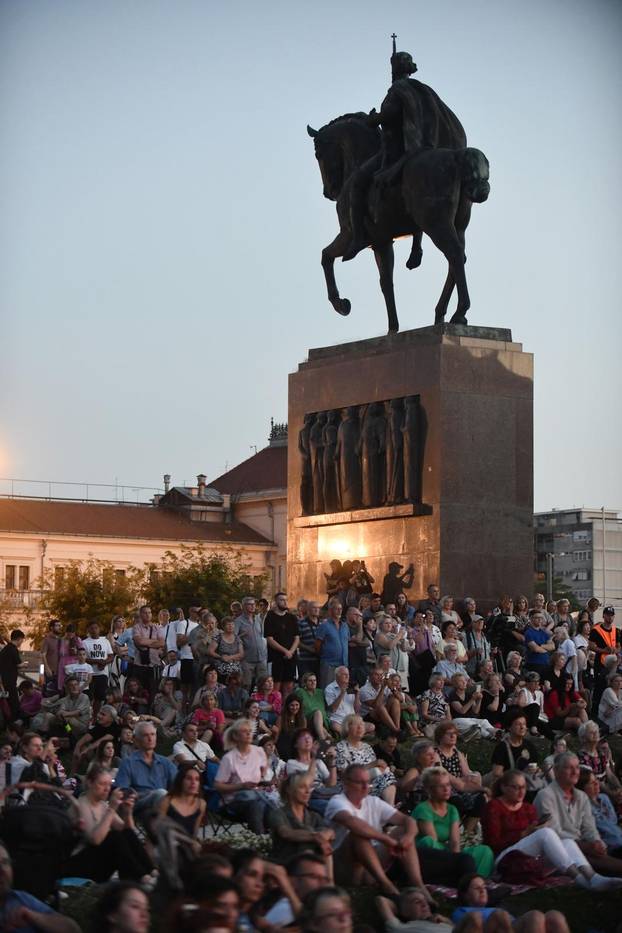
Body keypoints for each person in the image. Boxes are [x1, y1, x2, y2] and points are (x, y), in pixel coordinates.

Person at [325, 764, 428, 897]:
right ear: (347, 783)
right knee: (358, 836)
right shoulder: (337, 802)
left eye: (367, 782)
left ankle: (418, 884)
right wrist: (386, 839)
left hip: (371, 865)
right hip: (346, 867)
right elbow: (353, 823)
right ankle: (387, 885)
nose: (365, 786)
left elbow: (409, 821)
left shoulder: (373, 802)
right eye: (359, 782)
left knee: (402, 832)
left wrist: (408, 837)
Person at [534, 751, 622, 886]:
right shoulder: (546, 796)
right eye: (569, 768)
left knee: (595, 849)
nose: (575, 772)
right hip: (555, 851)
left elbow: (589, 827)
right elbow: (554, 834)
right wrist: (588, 846)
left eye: (576, 768)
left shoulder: (581, 796)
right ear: (556, 771)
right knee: (582, 852)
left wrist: (597, 842)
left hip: (581, 845)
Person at [64, 762, 153, 882]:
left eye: (109, 784)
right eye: (102, 784)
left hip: (95, 861)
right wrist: (111, 809)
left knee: (124, 834)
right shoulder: (81, 805)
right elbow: (95, 840)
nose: (107, 789)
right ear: (90, 783)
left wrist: (127, 812)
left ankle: (151, 871)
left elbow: (128, 832)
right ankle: (141, 877)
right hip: (77, 866)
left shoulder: (101, 805)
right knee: (114, 836)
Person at [414, 766, 493, 877]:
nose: (446, 789)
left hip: (446, 852)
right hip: (428, 855)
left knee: (484, 851)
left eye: (448, 785)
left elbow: (455, 842)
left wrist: (458, 860)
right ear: (429, 789)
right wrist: (457, 861)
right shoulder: (423, 809)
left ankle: (476, 882)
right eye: (441, 786)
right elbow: (433, 841)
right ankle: (459, 877)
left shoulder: (452, 810)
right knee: (428, 842)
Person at [0, 842, 80, 933]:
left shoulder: (20, 899)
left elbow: (73, 929)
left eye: (5, 862)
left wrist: (33, 916)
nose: (2, 870)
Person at [212, 717, 272, 834]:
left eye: (250, 731)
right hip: (233, 801)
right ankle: (259, 839)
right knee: (257, 804)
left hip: (257, 795)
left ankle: (274, 840)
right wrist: (241, 786)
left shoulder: (259, 752)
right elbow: (217, 786)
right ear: (235, 736)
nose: (249, 733)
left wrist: (263, 780)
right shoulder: (229, 758)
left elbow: (264, 775)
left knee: (272, 805)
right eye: (245, 731)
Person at [268, 771, 335, 863]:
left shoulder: (314, 816)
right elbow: (286, 833)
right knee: (308, 844)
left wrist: (323, 837)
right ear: (289, 790)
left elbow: (330, 832)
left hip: (313, 860)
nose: (308, 791)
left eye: (310, 787)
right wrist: (315, 836)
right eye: (302, 787)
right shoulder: (278, 813)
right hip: (285, 861)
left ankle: (329, 877)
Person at [434, 721, 487, 835]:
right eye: (449, 734)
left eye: (455, 733)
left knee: (480, 799)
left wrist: (473, 777)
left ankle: (467, 834)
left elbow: (467, 773)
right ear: (440, 736)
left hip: (462, 787)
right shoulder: (435, 753)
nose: (453, 736)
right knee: (456, 801)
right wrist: (463, 782)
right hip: (445, 787)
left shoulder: (457, 753)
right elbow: (445, 776)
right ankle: (455, 832)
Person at [114, 720, 177, 816]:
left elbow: (179, 782)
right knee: (160, 793)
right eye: (145, 735)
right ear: (136, 740)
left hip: (163, 801)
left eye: (152, 734)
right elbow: (122, 789)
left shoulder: (164, 762)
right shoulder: (128, 763)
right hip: (139, 805)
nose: (150, 738)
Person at [335, 714, 397, 803]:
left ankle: (390, 809)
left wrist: (382, 768)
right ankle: (390, 810)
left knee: (388, 775)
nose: (360, 727)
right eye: (356, 724)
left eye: (362, 724)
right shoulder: (341, 747)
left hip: (369, 785)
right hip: (351, 787)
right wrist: (371, 765)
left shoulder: (367, 747)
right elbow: (344, 774)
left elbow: (376, 770)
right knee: (386, 779)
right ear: (347, 728)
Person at [264, 592, 300, 695]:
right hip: (276, 658)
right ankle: (276, 709)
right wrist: (285, 651)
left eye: (286, 600)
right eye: (282, 600)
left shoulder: (292, 618)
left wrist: (291, 652)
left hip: (291, 657)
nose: (285, 602)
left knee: (289, 686)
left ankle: (286, 710)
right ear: (276, 602)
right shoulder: (270, 617)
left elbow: (297, 637)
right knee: (276, 687)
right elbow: (270, 639)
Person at [158, 761, 206, 837]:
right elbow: (155, 832)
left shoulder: (201, 804)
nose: (193, 782)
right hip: (168, 844)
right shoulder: (167, 802)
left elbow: (194, 833)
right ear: (180, 781)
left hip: (187, 845)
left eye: (197, 779)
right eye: (189, 778)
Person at [376, 886, 452, 933]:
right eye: (417, 902)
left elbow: (459, 928)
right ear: (405, 912)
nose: (424, 904)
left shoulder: (440, 921)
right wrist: (401, 908)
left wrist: (445, 920)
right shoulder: (400, 927)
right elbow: (381, 900)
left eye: (425, 901)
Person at [490, 709, 539, 779]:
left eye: (524, 724)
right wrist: (521, 774)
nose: (522, 727)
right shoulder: (502, 748)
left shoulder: (529, 746)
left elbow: (535, 766)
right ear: (509, 727)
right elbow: (497, 774)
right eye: (518, 724)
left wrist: (537, 770)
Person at [315, 597, 350, 688]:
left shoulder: (345, 626)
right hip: (329, 664)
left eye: (340, 609)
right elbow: (317, 645)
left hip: (343, 664)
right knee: (328, 688)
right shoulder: (324, 626)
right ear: (330, 611)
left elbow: (347, 642)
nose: (339, 611)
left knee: (341, 690)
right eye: (336, 609)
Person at [324, 666, 369, 735]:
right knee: (335, 727)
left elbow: (357, 710)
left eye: (348, 674)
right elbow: (332, 709)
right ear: (337, 676)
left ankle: (350, 733)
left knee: (372, 726)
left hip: (351, 719)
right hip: (338, 720)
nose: (347, 676)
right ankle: (354, 734)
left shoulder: (351, 686)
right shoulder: (330, 688)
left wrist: (357, 695)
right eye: (344, 674)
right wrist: (342, 693)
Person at [132, 606, 165, 699]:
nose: (148, 615)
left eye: (149, 612)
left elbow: (162, 643)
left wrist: (146, 643)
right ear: (141, 614)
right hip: (140, 665)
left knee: (153, 691)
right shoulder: (136, 627)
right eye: (145, 613)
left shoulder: (157, 628)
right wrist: (154, 642)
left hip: (154, 665)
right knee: (140, 692)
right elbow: (139, 642)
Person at [236, 596, 268, 690]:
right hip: (247, 659)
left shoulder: (258, 619)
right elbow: (232, 638)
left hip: (261, 658)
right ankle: (246, 704)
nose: (253, 606)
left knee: (264, 684)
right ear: (243, 606)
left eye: (254, 604)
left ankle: (262, 704)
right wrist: (242, 635)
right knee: (246, 685)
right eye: (250, 604)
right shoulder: (238, 621)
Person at [82, 621, 115, 714]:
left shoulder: (105, 641)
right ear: (88, 630)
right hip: (90, 674)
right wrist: (98, 661)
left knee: (100, 697)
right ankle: (87, 715)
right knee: (88, 697)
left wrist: (104, 662)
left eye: (96, 628)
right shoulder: (84, 642)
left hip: (102, 673)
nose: (94, 630)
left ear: (99, 629)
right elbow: (83, 658)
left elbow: (111, 656)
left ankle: (95, 717)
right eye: (91, 628)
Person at [359, 667, 402, 733]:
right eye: (376, 675)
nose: (379, 677)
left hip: (384, 713)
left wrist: (392, 688)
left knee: (395, 700)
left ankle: (397, 727)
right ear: (370, 677)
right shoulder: (364, 690)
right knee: (380, 707)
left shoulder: (386, 686)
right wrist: (382, 688)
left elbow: (401, 699)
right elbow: (376, 705)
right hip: (368, 716)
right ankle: (396, 731)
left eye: (381, 675)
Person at [0, 629, 27, 720]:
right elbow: (18, 664)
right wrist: (25, 664)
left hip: (4, 680)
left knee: (7, 703)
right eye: (22, 641)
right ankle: (14, 723)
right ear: (19, 639)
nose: (21, 643)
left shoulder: (5, 649)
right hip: (10, 681)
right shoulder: (13, 649)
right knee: (14, 704)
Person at [295, 671, 330, 740]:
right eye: (310, 681)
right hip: (307, 719)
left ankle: (326, 736)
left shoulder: (320, 692)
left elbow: (328, 707)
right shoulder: (300, 692)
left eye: (314, 680)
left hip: (323, 721)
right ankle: (322, 739)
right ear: (305, 683)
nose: (313, 682)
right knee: (318, 713)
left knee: (319, 714)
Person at [297, 599, 322, 681]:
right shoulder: (301, 623)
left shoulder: (322, 624)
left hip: (319, 660)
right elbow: (297, 641)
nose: (316, 610)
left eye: (318, 608)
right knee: (306, 683)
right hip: (305, 660)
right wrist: (310, 649)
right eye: (314, 607)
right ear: (308, 609)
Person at [589, 606, 619, 674]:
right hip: (600, 662)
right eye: (608, 615)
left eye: (612, 615)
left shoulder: (616, 630)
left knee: (612, 682)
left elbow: (619, 646)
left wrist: (615, 650)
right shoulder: (595, 630)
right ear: (603, 616)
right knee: (601, 682)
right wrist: (603, 650)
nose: (610, 617)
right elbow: (591, 646)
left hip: (613, 662)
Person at [41, 619, 62, 694]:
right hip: (49, 673)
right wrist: (47, 669)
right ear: (51, 628)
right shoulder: (46, 640)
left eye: (60, 625)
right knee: (48, 694)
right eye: (57, 625)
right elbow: (43, 655)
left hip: (60, 672)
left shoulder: (60, 640)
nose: (59, 627)